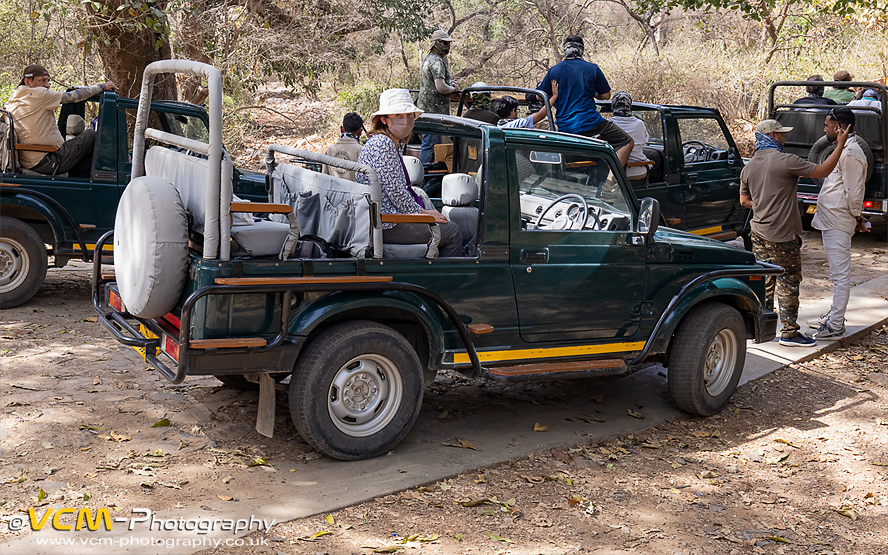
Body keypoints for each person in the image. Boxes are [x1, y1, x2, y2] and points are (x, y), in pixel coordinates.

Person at [739, 119, 849, 347]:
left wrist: (761, 206)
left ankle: (763, 328)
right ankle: (789, 333)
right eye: (780, 134)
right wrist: (840, 145)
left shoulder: (749, 166)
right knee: (789, 281)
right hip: (782, 235)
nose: (784, 138)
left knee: (765, 279)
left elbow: (744, 201)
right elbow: (822, 171)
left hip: (758, 232)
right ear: (771, 135)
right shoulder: (785, 161)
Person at [356, 89, 464, 257]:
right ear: (384, 120)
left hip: (382, 218)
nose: (405, 120)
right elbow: (397, 194)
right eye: (398, 115)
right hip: (386, 223)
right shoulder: (383, 144)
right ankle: (447, 281)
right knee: (453, 232)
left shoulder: (385, 141)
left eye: (409, 115)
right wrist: (427, 214)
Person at [809, 108, 868, 341]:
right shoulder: (842, 149)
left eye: (827, 126)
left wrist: (857, 217)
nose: (824, 130)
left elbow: (854, 193)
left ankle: (835, 325)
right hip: (832, 218)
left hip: (839, 219)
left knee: (840, 275)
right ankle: (834, 317)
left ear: (839, 128)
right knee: (837, 274)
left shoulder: (852, 152)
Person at [5, 64, 117, 177]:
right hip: (47, 161)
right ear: (27, 81)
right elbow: (73, 96)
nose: (47, 85)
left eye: (48, 81)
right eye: (42, 80)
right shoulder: (39, 94)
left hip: (30, 161)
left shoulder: (14, 97)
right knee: (91, 134)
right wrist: (101, 87)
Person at [537, 35, 633, 166]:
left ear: (564, 50)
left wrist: (555, 95)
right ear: (581, 50)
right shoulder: (592, 69)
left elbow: (539, 96)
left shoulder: (554, 70)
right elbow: (606, 96)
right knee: (626, 142)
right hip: (591, 123)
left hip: (565, 127)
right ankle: (611, 181)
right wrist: (592, 91)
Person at [416, 29, 459, 164]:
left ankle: (428, 173)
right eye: (444, 43)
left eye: (448, 43)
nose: (447, 46)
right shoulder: (436, 62)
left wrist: (449, 84)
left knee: (433, 143)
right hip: (433, 111)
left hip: (429, 110)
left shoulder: (430, 59)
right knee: (430, 144)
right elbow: (440, 87)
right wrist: (453, 89)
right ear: (436, 43)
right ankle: (424, 175)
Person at [608, 91, 651, 187]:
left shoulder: (608, 124)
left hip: (613, 174)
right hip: (638, 172)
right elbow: (644, 140)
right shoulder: (639, 124)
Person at [492, 80, 558, 129]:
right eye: (516, 110)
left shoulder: (499, 125)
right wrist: (554, 97)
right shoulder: (517, 124)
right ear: (512, 111)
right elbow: (540, 116)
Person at [322, 112, 364, 181]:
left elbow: (324, 178)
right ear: (360, 131)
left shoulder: (329, 151)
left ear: (341, 129)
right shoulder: (362, 151)